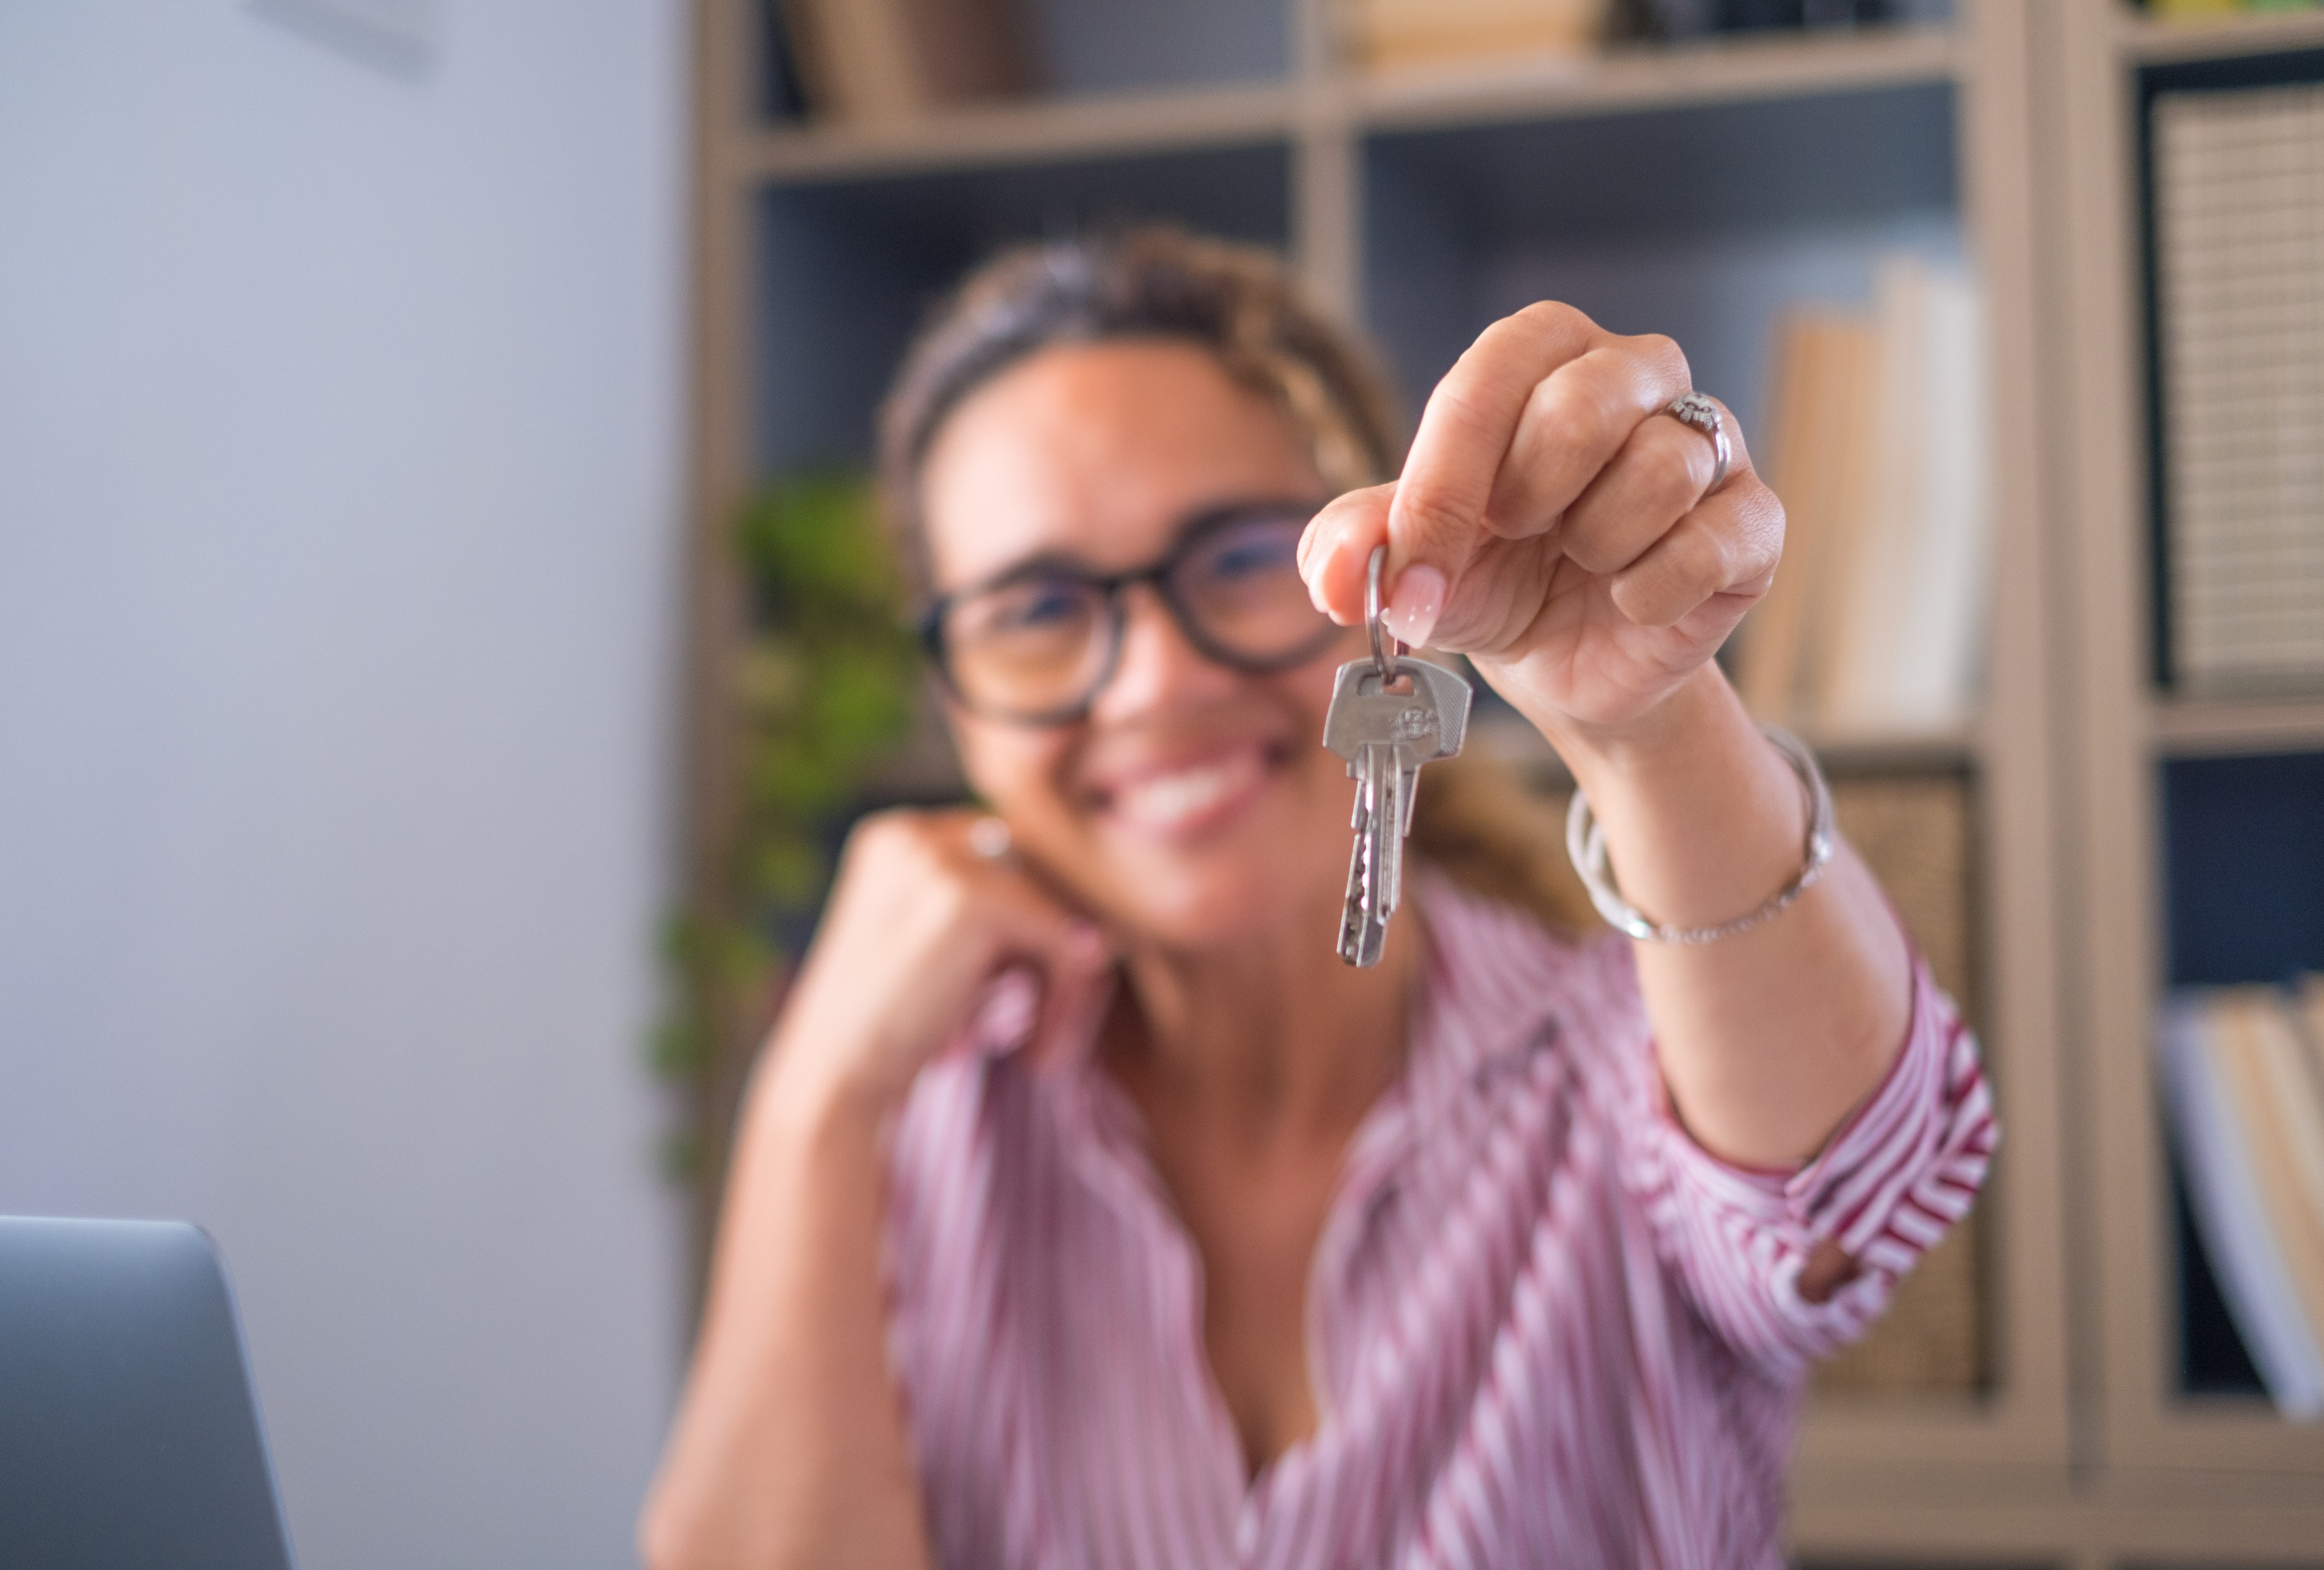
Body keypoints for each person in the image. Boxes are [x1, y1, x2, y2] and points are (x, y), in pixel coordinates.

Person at [640, 228, 1995, 1569]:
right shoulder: (916, 1128)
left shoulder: (1619, 1060)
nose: (1155, 683)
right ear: (955, 695)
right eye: (1039, 605)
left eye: (1236, 557)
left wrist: (1647, 717)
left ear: (1386, 587)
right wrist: (816, 1095)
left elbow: (1859, 1203)